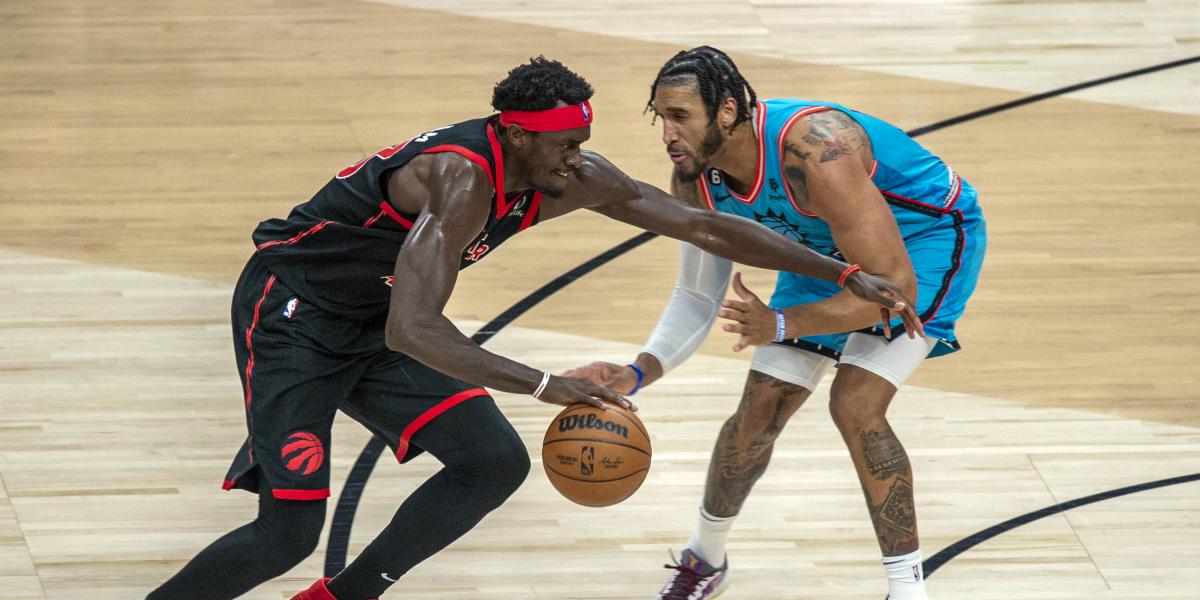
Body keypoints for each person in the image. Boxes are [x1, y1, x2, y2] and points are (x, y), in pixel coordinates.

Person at [145, 56, 919, 600]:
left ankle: (346, 597)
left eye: (582, 141)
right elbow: (416, 327)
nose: (577, 160)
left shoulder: (566, 173)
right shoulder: (457, 180)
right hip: (296, 320)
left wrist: (842, 273)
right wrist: (550, 385)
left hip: (374, 322)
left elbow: (699, 225)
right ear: (515, 135)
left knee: (490, 463)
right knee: (286, 534)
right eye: (563, 145)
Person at [565, 46, 986, 600]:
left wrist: (782, 323)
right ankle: (705, 559)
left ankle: (908, 591)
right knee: (757, 411)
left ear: (728, 112)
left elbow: (893, 289)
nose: (668, 133)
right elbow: (697, 293)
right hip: (822, 251)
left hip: (922, 244)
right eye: (661, 117)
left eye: (681, 117)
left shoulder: (816, 153)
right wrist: (637, 372)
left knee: (855, 404)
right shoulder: (695, 179)